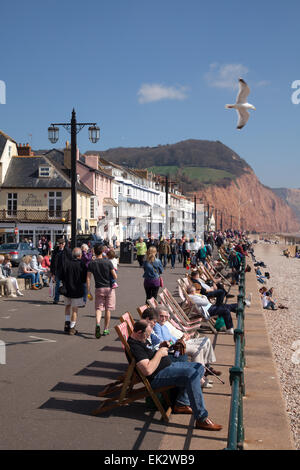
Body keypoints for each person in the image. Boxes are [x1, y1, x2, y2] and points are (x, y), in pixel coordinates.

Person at [128, 320, 223, 431]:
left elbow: (150, 354)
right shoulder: (136, 346)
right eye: (147, 334)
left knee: (199, 367)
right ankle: (201, 418)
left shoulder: (141, 339)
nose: (147, 337)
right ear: (139, 332)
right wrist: (159, 353)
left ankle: (182, 403)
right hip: (158, 376)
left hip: (166, 367)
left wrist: (160, 348)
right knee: (191, 375)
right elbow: (147, 370)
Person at [151, 306, 220, 387]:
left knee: (200, 347)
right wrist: (176, 341)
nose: (163, 319)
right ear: (156, 316)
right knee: (196, 350)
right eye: (161, 316)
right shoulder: (157, 326)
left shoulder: (164, 326)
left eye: (165, 317)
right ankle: (200, 378)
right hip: (172, 349)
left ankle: (201, 375)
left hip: (177, 345)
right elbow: (161, 341)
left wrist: (180, 339)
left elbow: (172, 338)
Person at [87, 243, 117, 339]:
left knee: (98, 308)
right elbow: (115, 276)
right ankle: (106, 329)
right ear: (103, 251)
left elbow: (88, 278)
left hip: (98, 288)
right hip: (109, 288)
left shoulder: (92, 263)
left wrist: (88, 290)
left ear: (94, 252)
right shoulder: (108, 262)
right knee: (108, 309)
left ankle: (98, 324)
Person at [60, 247, 87, 335]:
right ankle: (72, 327)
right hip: (77, 289)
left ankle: (67, 323)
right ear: (80, 255)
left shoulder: (67, 264)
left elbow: (62, 276)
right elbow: (84, 279)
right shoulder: (82, 264)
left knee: (67, 306)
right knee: (75, 310)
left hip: (67, 289)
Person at [50, 238, 72, 304]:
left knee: (66, 286)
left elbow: (71, 261)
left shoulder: (68, 251)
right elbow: (52, 262)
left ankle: (67, 298)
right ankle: (56, 299)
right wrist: (52, 272)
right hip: (58, 271)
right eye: (59, 244)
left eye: (61, 244)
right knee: (57, 285)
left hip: (65, 271)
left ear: (64, 244)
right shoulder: (55, 251)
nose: (60, 245)